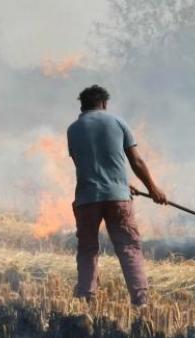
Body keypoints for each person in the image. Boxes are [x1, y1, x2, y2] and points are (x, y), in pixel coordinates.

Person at [66, 85, 167, 306]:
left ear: (82, 105)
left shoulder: (73, 129)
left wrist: (121, 182)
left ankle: (85, 297)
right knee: (128, 247)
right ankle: (141, 301)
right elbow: (136, 161)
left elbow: (83, 163)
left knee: (88, 249)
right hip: (117, 197)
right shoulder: (117, 122)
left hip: (87, 198)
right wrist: (153, 189)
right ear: (104, 103)